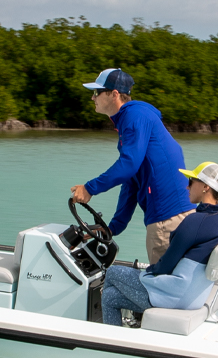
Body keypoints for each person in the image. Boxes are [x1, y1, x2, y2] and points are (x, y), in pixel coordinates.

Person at [69, 68, 193, 264]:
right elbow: (131, 182)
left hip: (166, 222)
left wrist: (90, 188)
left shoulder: (134, 116)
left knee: (161, 290)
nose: (93, 98)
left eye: (96, 92)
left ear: (114, 94)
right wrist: (113, 228)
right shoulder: (137, 116)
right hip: (175, 217)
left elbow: (128, 165)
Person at [100, 161, 218, 327]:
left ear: (206, 187)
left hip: (174, 295)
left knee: (112, 272)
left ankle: (112, 335)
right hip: (194, 295)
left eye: (191, 182)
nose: (187, 187)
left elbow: (164, 267)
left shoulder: (195, 222)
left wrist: (145, 273)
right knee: (110, 297)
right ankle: (119, 339)